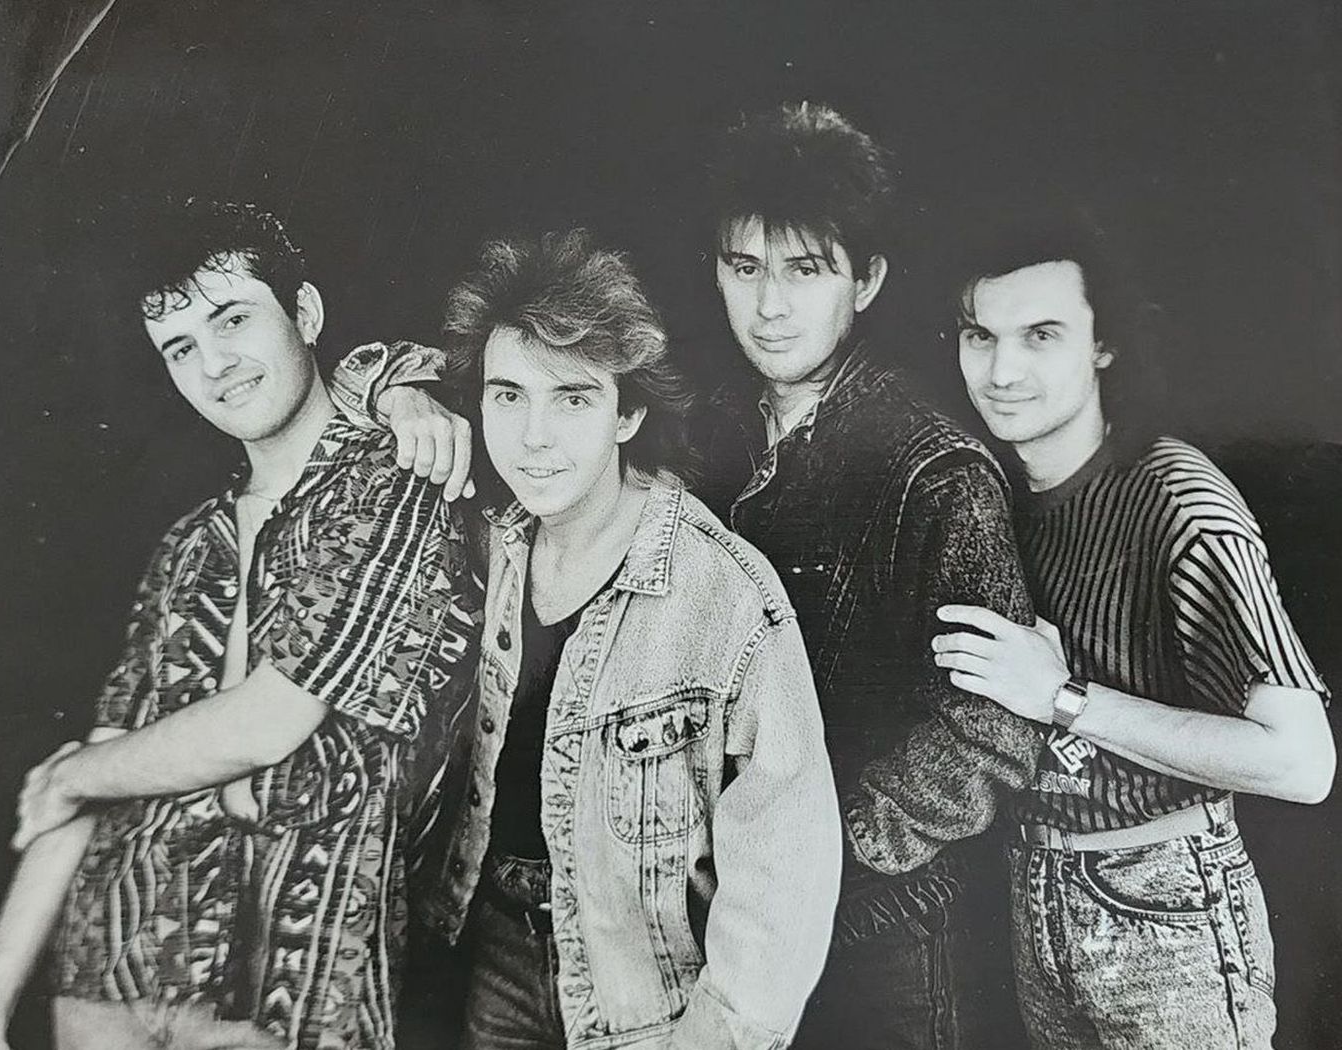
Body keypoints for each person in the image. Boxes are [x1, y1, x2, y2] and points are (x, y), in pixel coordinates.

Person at [343, 102, 1044, 1050]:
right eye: (744, 268)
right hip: (683, 919)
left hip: (884, 938)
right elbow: (530, 370)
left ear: (868, 280)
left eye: (806, 271)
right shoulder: (705, 420)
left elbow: (995, 728)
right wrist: (401, 391)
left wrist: (808, 849)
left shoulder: (934, 472)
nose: (770, 306)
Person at [0, 200, 482, 1050]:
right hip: (108, 976)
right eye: (179, 348)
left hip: (292, 994)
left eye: (233, 319)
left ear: (305, 314)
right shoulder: (189, 545)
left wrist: (78, 773)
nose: (214, 364)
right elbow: (87, 773)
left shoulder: (394, 486)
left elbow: (267, 722)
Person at [414, 228, 840, 1050]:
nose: (534, 436)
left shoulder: (724, 593)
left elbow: (786, 875)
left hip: (645, 997)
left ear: (627, 413)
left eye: (573, 399)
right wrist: (397, 394)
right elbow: (341, 389)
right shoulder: (488, 541)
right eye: (508, 396)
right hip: (493, 955)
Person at [932, 208, 1335, 1050]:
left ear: (1104, 345)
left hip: (1166, 906)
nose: (1001, 371)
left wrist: (1062, 698)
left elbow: (1302, 762)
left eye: (1041, 335)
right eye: (979, 336)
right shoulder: (991, 494)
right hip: (1034, 890)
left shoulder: (1178, 500)